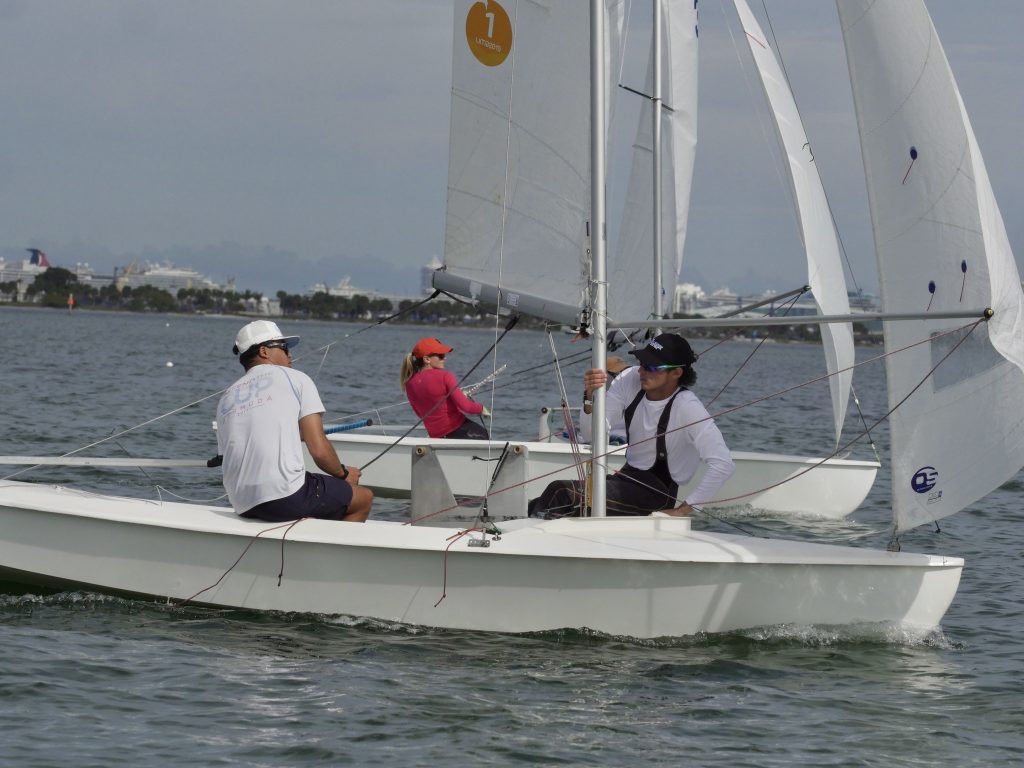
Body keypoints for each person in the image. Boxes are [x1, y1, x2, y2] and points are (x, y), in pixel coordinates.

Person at [528, 333, 735, 518]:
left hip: (655, 496)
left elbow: (724, 464)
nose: (642, 371)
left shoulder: (688, 407)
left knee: (561, 492)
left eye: (652, 367)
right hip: (624, 480)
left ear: (676, 373)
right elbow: (591, 435)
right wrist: (589, 397)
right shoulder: (630, 379)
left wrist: (683, 510)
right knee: (535, 503)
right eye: (642, 362)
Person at [217, 320, 372, 523]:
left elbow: (227, 456)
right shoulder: (296, 378)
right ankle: (329, 544)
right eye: (284, 347)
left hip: (241, 503)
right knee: (363, 498)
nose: (290, 355)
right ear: (264, 351)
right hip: (284, 496)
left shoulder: (227, 396)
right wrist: (344, 474)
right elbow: (319, 451)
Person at [400, 337, 489, 439]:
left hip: (436, 436)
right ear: (427, 359)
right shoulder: (445, 376)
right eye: (440, 356)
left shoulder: (409, 384)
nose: (444, 358)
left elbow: (420, 413)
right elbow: (467, 408)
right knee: (483, 434)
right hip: (458, 430)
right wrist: (481, 408)